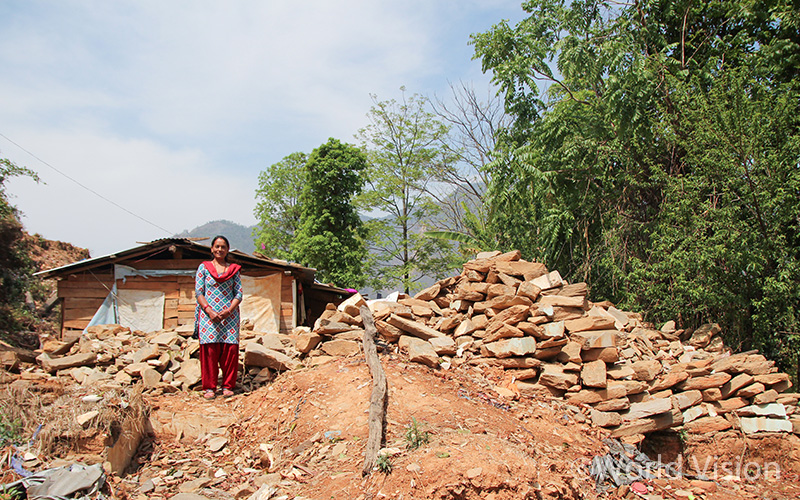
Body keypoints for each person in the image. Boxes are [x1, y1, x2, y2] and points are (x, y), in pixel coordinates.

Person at [194, 235, 243, 399]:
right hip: (209, 316)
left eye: (223, 247)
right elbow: (199, 292)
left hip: (229, 315)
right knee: (210, 349)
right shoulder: (204, 268)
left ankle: (228, 386)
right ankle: (209, 387)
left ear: (227, 250)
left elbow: (239, 293)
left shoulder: (234, 269)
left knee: (229, 349)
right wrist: (209, 310)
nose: (220, 249)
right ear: (212, 249)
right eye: (217, 246)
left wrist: (229, 310)